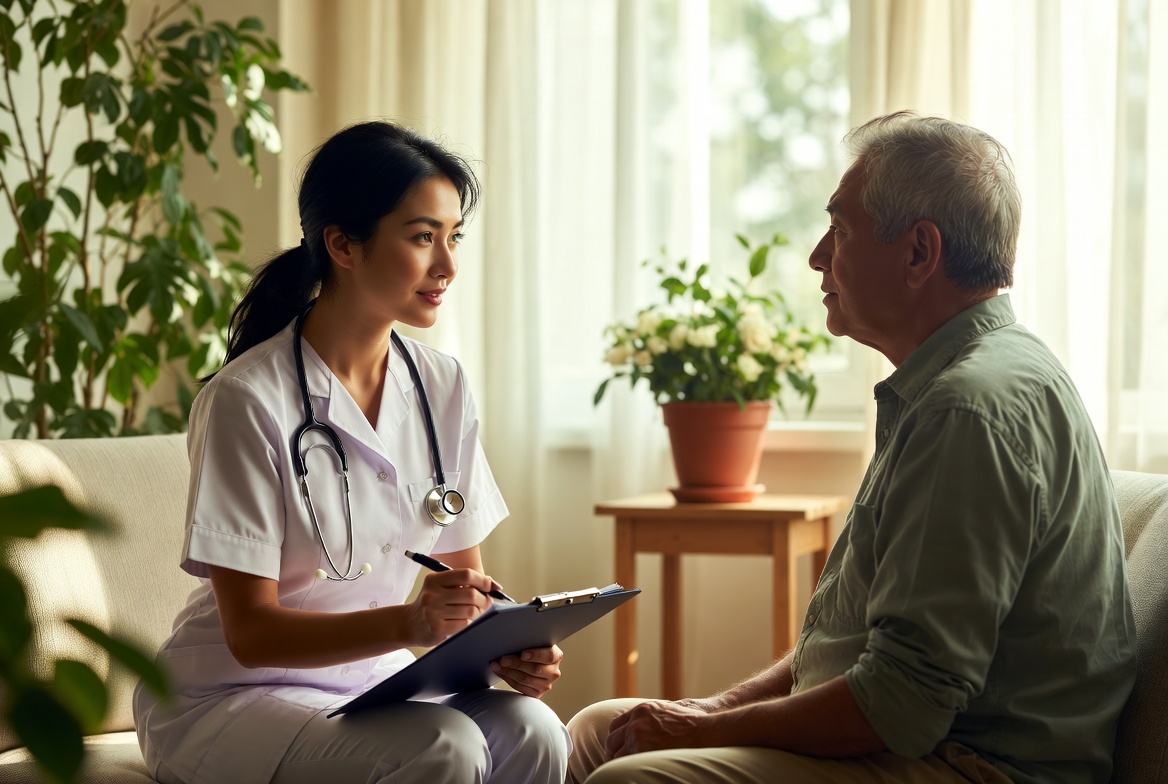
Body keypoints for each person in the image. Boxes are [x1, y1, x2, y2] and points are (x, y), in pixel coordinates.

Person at [566, 112, 1136, 784]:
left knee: (626, 777)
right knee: (600, 728)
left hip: (973, 766)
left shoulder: (967, 407)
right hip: (915, 740)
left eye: (838, 229)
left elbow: (901, 703)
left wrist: (708, 728)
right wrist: (712, 707)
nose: (815, 256)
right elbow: (858, 647)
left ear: (920, 253)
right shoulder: (951, 382)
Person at [133, 121, 570, 784]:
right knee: (443, 745)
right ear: (342, 243)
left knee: (535, 728)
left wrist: (501, 648)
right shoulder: (248, 400)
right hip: (229, 696)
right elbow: (251, 635)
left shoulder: (441, 385)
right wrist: (412, 620)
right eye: (423, 237)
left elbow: (464, 587)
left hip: (372, 683)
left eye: (453, 238)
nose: (447, 266)